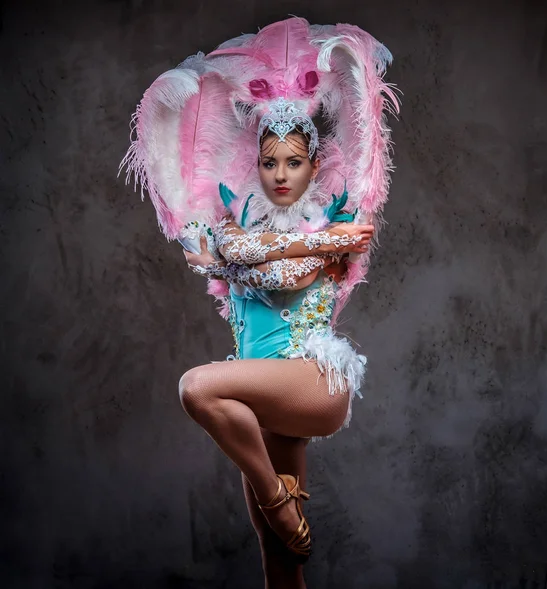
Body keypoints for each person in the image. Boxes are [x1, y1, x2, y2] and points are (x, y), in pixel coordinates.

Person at [120, 16, 398, 588]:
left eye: (293, 163)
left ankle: (275, 497)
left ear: (313, 166)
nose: (280, 175)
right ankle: (278, 512)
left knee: (198, 386)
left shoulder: (341, 216)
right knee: (281, 565)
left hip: (312, 382)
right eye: (270, 163)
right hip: (267, 395)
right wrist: (309, 242)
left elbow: (277, 274)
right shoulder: (297, 230)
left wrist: (302, 242)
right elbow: (219, 251)